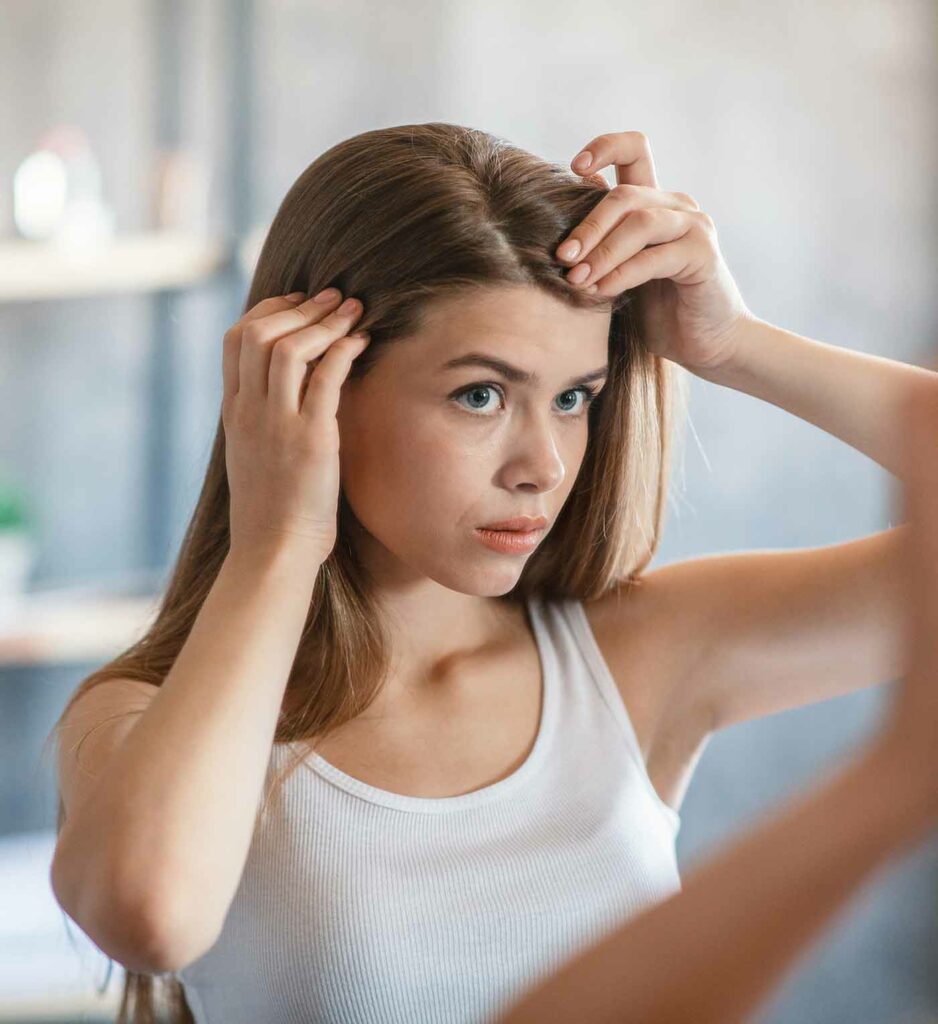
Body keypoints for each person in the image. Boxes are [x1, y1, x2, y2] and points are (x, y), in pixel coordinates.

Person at [45, 123, 936, 1024]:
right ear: (317, 385)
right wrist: (277, 541)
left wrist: (734, 345)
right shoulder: (144, 718)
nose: (543, 465)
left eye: (573, 398)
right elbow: (149, 915)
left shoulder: (640, 653)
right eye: (481, 394)